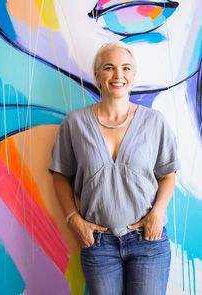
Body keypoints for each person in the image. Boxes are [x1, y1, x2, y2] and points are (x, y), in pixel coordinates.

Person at [49, 42, 180, 295]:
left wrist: (157, 214)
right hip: (98, 245)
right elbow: (60, 175)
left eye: (126, 68)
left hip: (148, 242)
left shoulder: (154, 122)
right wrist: (73, 220)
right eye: (109, 68)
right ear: (97, 75)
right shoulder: (75, 123)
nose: (118, 75)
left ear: (133, 75)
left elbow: (168, 174)